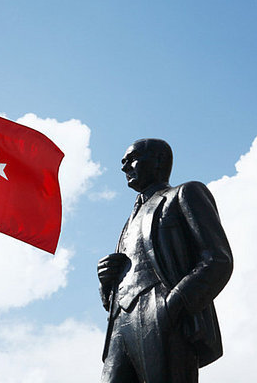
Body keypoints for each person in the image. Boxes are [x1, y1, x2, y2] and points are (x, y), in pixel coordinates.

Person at [97, 139, 233, 383]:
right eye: (123, 162)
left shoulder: (185, 193)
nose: (125, 167)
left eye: (131, 159)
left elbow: (217, 258)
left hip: (160, 309)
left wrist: (174, 304)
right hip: (120, 323)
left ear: (159, 160)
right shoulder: (128, 221)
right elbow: (113, 296)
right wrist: (106, 282)